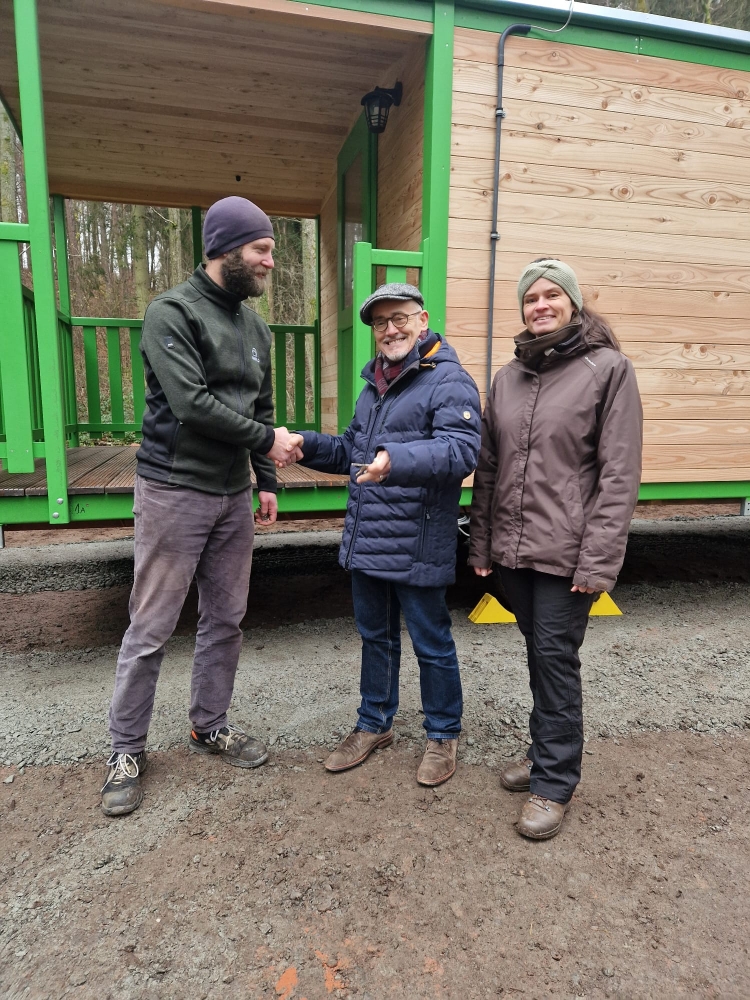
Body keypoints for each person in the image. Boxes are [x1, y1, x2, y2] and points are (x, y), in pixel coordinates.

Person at [101, 196, 302, 817]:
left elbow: (261, 408)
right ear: (226, 250)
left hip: (232, 495)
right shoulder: (172, 312)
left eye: (271, 250)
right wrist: (266, 441)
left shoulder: (256, 328)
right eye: (261, 249)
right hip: (173, 490)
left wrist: (266, 480)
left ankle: (208, 725)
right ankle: (125, 750)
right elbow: (190, 404)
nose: (271, 261)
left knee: (226, 618)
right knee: (151, 626)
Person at [469, 258, 642, 840]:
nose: (539, 305)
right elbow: (489, 468)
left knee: (555, 659)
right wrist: (481, 544)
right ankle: (545, 752)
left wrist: (599, 560)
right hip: (514, 552)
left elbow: (619, 474)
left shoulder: (608, 369)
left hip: (569, 555)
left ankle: (554, 782)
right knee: (540, 656)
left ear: (573, 302)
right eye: (530, 298)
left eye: (551, 295)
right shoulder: (508, 378)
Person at [286, 283, 481, 786]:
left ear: (423, 320)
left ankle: (443, 733)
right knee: (375, 636)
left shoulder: (449, 380)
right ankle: (374, 723)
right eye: (380, 323)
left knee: (431, 641)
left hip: (418, 539)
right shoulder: (373, 384)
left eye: (400, 319)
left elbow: (461, 452)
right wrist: (305, 444)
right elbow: (352, 450)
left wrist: (394, 460)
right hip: (370, 534)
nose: (390, 330)